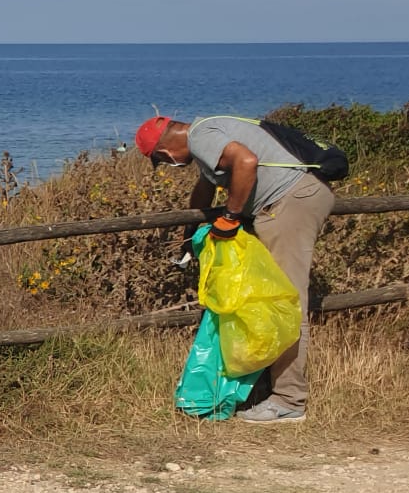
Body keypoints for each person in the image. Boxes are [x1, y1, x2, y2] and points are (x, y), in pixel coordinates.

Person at [135, 115, 333, 423]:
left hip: (288, 204)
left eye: (161, 160)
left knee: (287, 303)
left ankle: (289, 400)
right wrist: (190, 231)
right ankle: (270, 390)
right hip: (294, 198)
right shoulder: (207, 134)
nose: (169, 164)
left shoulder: (201, 137)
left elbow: (247, 161)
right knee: (272, 300)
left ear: (166, 150)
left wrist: (230, 217)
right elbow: (204, 189)